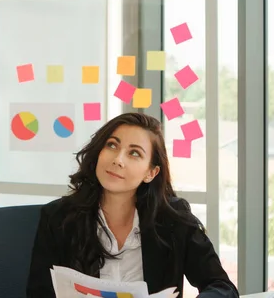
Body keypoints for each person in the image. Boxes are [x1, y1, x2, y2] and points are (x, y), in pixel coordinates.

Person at [26, 113, 238, 298]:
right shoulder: (59, 218)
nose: (118, 159)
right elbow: (38, 293)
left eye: (134, 153)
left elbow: (222, 287)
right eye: (112, 145)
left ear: (151, 172)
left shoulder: (173, 220)